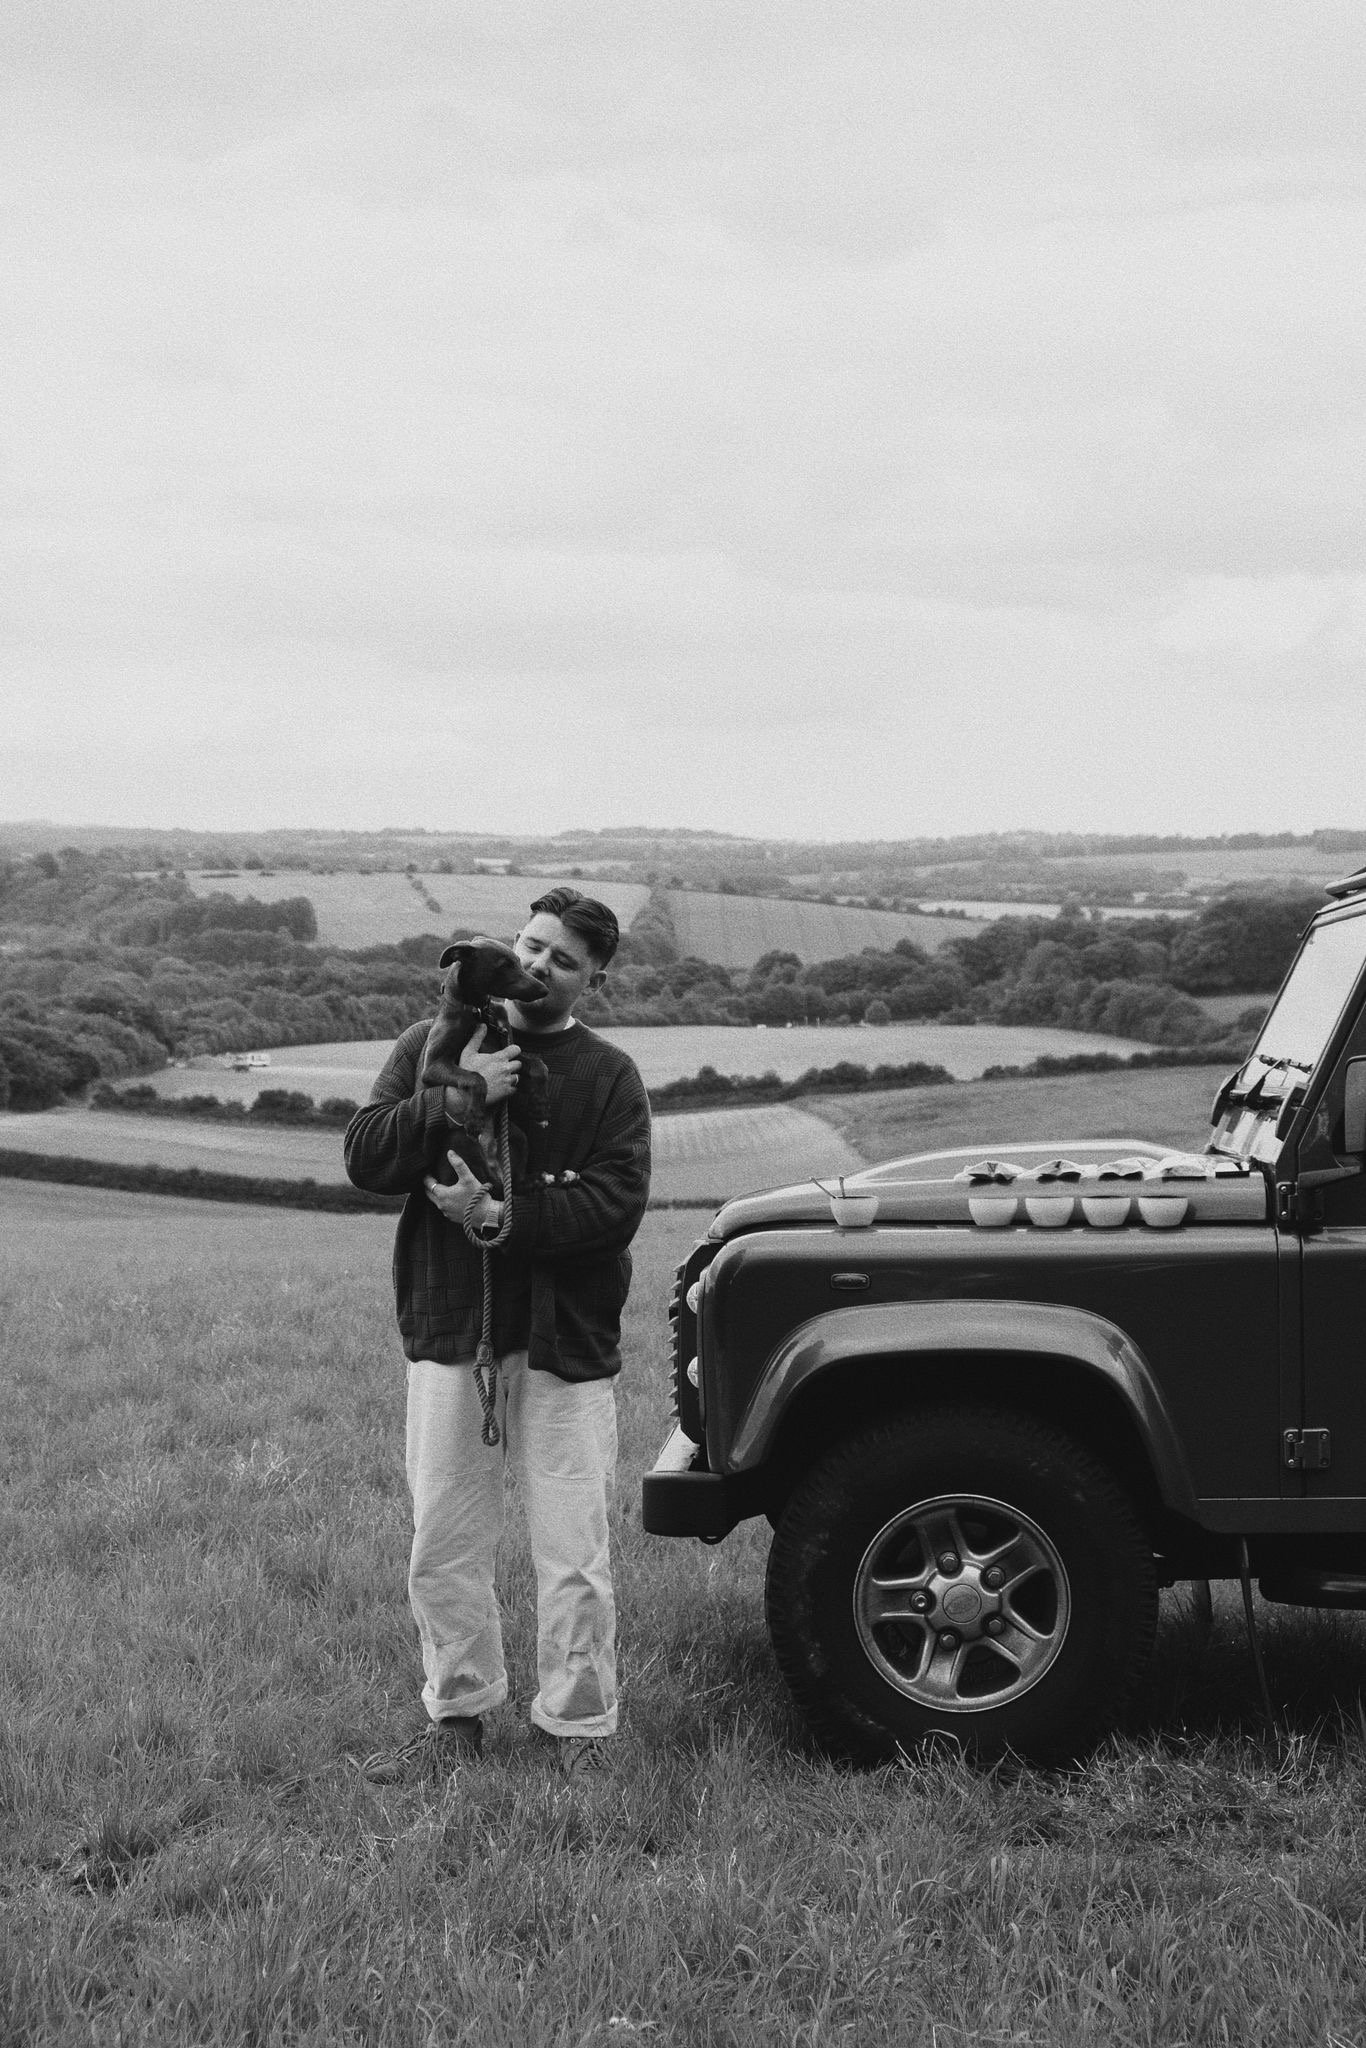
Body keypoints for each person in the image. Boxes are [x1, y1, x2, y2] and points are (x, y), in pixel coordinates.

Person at [344, 888, 651, 1780]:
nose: (538, 966)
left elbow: (614, 1206)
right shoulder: (431, 1044)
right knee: (444, 1541)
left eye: (563, 959)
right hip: (453, 1329)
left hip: (565, 1341)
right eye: (532, 945)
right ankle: (459, 1711)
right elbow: (366, 1155)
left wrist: (496, 1212)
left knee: (574, 1553)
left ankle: (577, 1725)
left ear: (592, 979)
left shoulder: (609, 1076)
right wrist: (460, 1097)